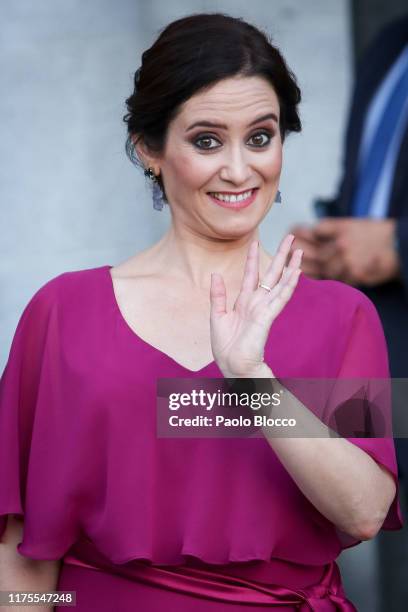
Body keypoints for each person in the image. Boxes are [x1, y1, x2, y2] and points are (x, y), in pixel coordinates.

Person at [0, 13, 403, 611]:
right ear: (150, 149)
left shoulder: (343, 316)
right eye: (207, 140)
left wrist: (252, 382)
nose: (239, 170)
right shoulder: (63, 314)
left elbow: (365, 511)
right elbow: (22, 557)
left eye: (261, 137)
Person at [289, 16, 408, 611]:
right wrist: (332, 243)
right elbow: (370, 189)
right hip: (382, 386)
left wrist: (398, 246)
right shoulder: (389, 45)